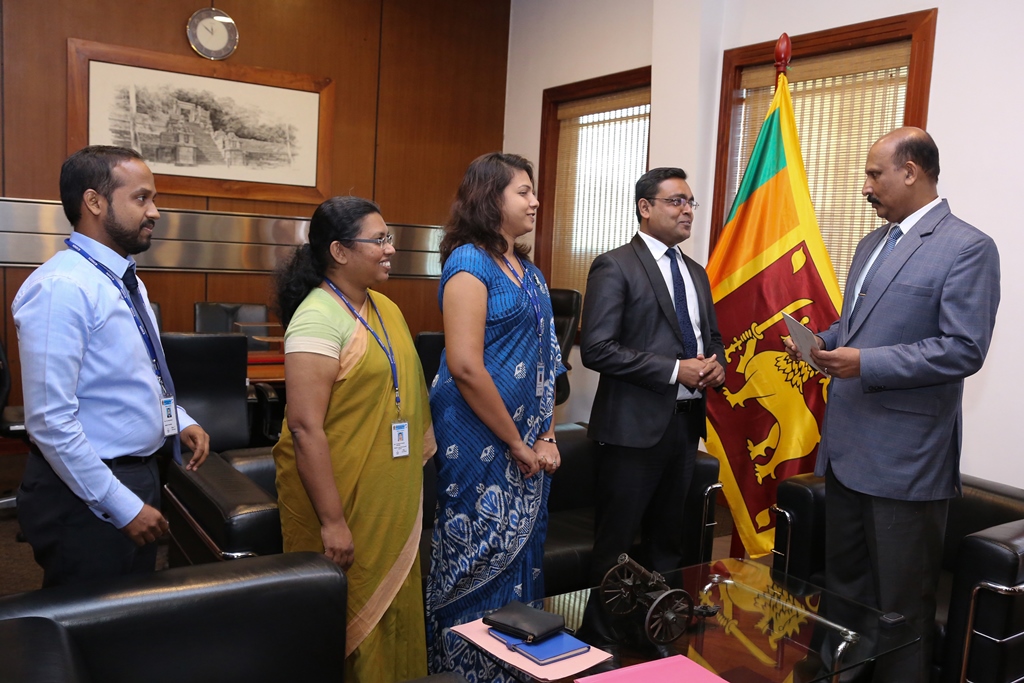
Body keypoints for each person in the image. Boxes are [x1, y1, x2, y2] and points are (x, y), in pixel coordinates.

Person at [784, 127, 1000, 683]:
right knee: (844, 600)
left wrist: (865, 364)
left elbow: (963, 350)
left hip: (906, 463)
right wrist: (825, 343)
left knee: (900, 612)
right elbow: (860, 328)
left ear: (912, 171)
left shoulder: (968, 247)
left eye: (875, 174)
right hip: (848, 453)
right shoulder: (871, 244)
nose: (865, 187)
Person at [13, 145, 211, 588]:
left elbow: (133, 374)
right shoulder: (63, 287)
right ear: (95, 202)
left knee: (124, 620)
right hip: (85, 493)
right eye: (141, 198)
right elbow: (48, 421)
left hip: (133, 474)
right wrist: (122, 506)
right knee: (88, 633)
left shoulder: (124, 278)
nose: (155, 211)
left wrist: (178, 420)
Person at [272, 196, 434, 682]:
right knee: (347, 623)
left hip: (389, 499)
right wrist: (333, 521)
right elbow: (304, 428)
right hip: (343, 501)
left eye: (391, 238)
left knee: (397, 611)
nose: (390, 249)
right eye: (379, 239)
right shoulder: (317, 318)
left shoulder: (384, 307)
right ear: (340, 251)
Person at [425, 152, 565, 677]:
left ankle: (514, 668)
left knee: (523, 556)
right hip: (477, 438)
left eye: (533, 191)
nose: (534, 200)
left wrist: (547, 434)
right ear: (490, 198)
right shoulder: (468, 262)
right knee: (475, 557)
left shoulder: (529, 271)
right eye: (523, 191)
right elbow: (465, 366)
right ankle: (463, 671)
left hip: (528, 442)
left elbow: (549, 360)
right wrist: (516, 442)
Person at [580, 167, 725, 595]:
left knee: (669, 542)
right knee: (617, 546)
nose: (687, 211)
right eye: (676, 201)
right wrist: (676, 370)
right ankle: (604, 638)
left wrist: (717, 366)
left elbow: (711, 337)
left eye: (690, 203)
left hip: (683, 425)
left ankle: (662, 631)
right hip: (631, 431)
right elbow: (597, 349)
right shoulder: (616, 265)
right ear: (645, 208)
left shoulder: (695, 272)